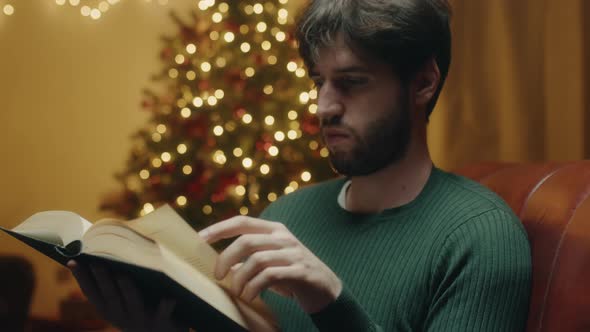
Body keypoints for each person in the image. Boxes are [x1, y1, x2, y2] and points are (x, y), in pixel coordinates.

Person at [68, 0, 532, 331]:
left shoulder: (480, 237)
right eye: (319, 82)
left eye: (351, 82)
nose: (324, 106)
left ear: (424, 83)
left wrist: (330, 301)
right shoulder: (284, 218)